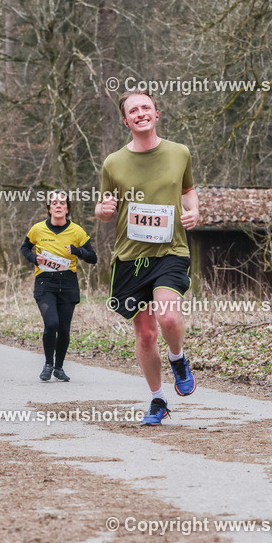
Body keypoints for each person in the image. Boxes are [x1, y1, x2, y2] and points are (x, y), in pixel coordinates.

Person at [95, 90, 199, 426]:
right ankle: (158, 399)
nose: (140, 113)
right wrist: (102, 210)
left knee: (167, 319)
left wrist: (194, 211)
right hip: (130, 257)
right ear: (125, 120)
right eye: (132, 110)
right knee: (146, 333)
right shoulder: (113, 163)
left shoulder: (179, 153)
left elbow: (187, 191)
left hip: (170, 250)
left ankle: (178, 358)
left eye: (146, 107)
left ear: (156, 114)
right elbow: (104, 208)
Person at [21, 190, 97, 382]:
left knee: (63, 328)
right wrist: (33, 259)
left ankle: (59, 368)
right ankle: (48, 364)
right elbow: (24, 248)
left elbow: (93, 257)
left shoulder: (77, 231)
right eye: (54, 203)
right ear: (49, 208)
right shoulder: (38, 229)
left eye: (62, 203)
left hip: (68, 282)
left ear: (67, 208)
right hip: (45, 281)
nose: (58, 206)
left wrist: (77, 251)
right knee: (51, 323)